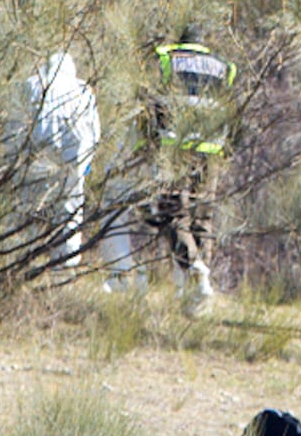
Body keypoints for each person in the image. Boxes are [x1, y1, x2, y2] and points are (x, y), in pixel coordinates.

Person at [103, 25, 237, 306]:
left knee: (171, 212)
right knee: (202, 219)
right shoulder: (223, 66)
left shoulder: (166, 57)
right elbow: (232, 112)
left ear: (182, 40)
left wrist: (146, 145)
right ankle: (197, 293)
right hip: (211, 149)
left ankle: (194, 269)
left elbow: (148, 105)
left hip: (173, 148)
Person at [14, 50, 99, 268]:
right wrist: (86, 164)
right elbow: (94, 132)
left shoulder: (29, 86)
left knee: (28, 207)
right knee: (69, 210)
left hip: (34, 156)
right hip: (71, 160)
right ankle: (66, 263)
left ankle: (22, 257)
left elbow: (14, 125)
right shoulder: (82, 90)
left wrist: (12, 159)